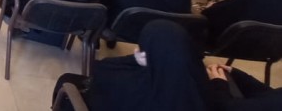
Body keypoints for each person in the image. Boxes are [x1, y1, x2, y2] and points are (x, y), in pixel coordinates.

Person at [54, 20, 210, 111]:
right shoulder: (201, 89)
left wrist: (134, 60)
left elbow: (100, 71)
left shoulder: (129, 85)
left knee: (67, 80)